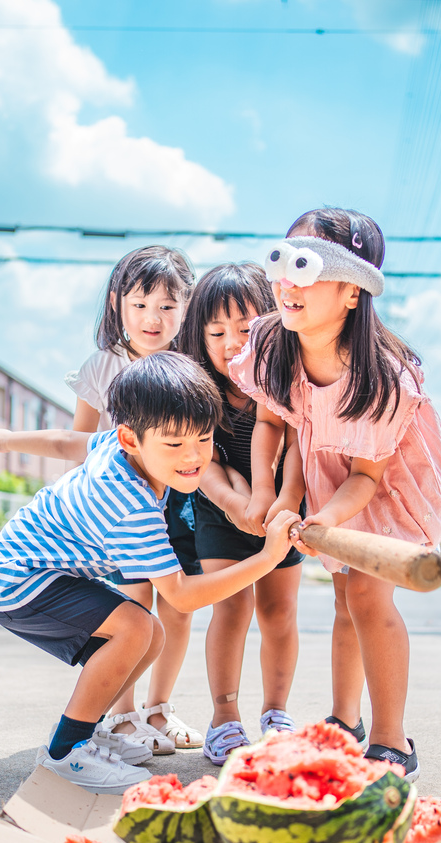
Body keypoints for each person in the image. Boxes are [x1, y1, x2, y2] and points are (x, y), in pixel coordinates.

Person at [0, 353, 300, 794]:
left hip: (36, 572)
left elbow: (68, 442)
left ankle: (92, 729)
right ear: (132, 437)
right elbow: (181, 596)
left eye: (203, 440)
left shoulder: (119, 447)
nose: (193, 458)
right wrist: (265, 559)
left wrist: (11, 439)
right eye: (173, 445)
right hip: (17, 579)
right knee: (132, 627)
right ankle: (66, 752)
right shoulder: (130, 505)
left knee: (151, 631)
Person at [229, 208, 441, 782]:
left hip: (387, 482)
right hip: (329, 474)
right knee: (342, 599)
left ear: (353, 292)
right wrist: (273, 493)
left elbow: (367, 477)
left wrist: (323, 519)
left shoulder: (382, 379)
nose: (287, 282)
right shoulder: (273, 343)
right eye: (282, 261)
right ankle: (344, 722)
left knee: (368, 599)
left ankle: (392, 741)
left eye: (307, 267)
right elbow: (277, 425)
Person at [64, 246, 203, 755]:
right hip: (120, 510)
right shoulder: (101, 367)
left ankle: (158, 709)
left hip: (180, 503)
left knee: (180, 608)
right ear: (118, 304)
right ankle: (121, 716)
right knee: (132, 609)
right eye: (140, 304)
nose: (153, 318)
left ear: (187, 307)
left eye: (168, 305)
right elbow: (78, 446)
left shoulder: (193, 364)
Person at [176, 263, 305, 764]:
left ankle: (276, 712)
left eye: (246, 328)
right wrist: (234, 503)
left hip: (283, 507)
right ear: (199, 336)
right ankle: (224, 718)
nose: (231, 342)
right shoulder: (196, 388)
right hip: (214, 507)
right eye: (216, 331)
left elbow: (295, 445)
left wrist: (281, 502)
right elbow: (201, 463)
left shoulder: (288, 378)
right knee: (230, 608)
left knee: (279, 611)